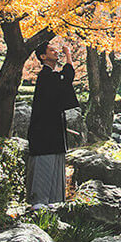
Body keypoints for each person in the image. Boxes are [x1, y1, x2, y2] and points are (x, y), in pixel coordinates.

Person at [25, 41, 80, 207]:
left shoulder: (51, 75)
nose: (55, 52)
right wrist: (68, 55)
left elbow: (66, 78)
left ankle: (53, 199)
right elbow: (68, 77)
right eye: (51, 50)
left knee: (55, 157)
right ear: (43, 56)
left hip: (52, 124)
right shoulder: (46, 75)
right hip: (44, 127)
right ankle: (39, 200)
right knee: (45, 158)